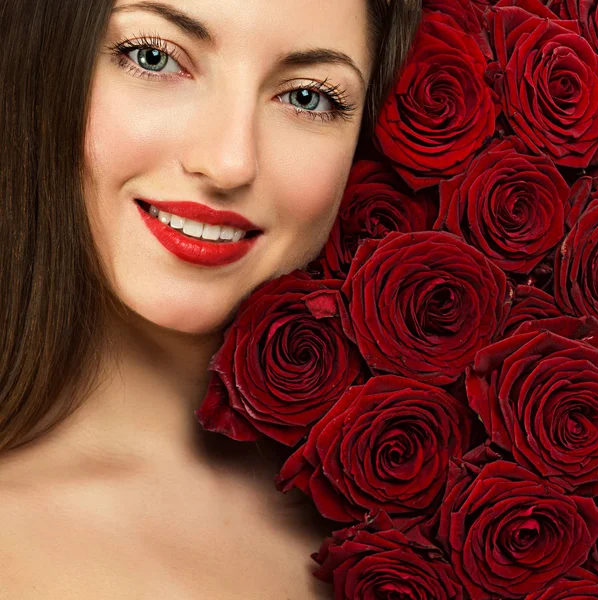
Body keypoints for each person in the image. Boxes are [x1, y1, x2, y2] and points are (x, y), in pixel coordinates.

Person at [0, 0, 421, 597]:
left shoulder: (418, 521)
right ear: (46, 62)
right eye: (154, 58)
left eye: (307, 97)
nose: (230, 163)